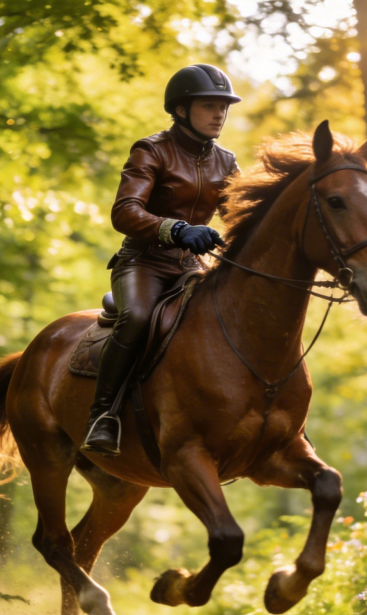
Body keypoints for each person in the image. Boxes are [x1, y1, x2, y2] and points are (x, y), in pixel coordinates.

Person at [80, 64, 241, 456]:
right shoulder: (151, 150)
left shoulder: (227, 161)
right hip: (144, 263)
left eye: (224, 107)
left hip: (191, 268)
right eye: (209, 105)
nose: (219, 113)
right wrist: (177, 229)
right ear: (181, 110)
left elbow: (240, 216)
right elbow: (124, 212)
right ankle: (103, 416)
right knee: (136, 317)